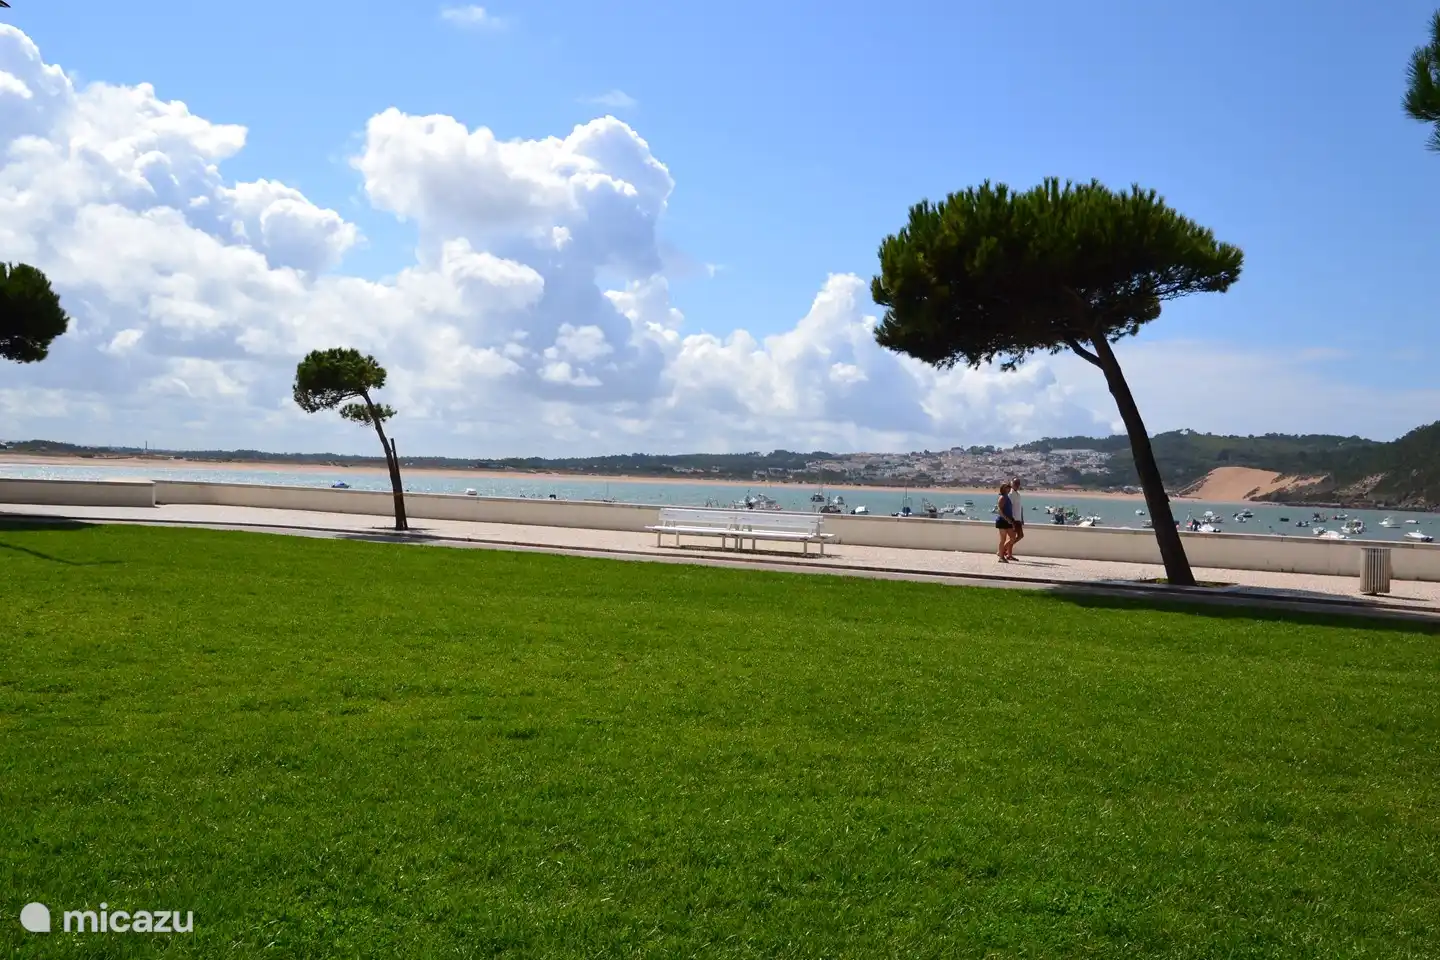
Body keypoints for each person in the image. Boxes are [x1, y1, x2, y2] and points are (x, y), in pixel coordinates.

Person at [995, 482, 1016, 562]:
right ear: (1004, 488)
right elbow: (999, 511)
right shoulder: (1002, 498)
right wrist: (1007, 519)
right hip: (1002, 521)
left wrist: (1011, 519)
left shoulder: (1007, 497)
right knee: (1003, 539)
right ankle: (1001, 557)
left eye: (1010, 487)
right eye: (1008, 487)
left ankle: (1001, 552)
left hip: (1008, 521)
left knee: (1013, 537)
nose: (1010, 488)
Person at [1006, 476, 1025, 561]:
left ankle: (1007, 552)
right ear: (1011, 483)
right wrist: (1010, 520)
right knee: (1012, 537)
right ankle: (1004, 552)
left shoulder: (1018, 494)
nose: (1017, 485)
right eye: (1015, 483)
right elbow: (1008, 507)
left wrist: (1022, 518)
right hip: (1013, 519)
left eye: (1018, 484)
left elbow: (1020, 507)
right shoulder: (1010, 494)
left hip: (1018, 519)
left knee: (1020, 536)